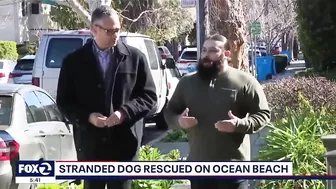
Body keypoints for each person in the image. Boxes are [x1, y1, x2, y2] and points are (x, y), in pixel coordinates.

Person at [56, 5, 157, 189]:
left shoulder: (135, 58)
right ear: (94, 30)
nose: (115, 35)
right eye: (109, 31)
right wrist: (88, 117)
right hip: (91, 146)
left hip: (124, 146)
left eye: (118, 29)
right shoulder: (73, 62)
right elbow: (64, 102)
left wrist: (124, 113)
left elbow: (149, 97)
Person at [164, 34, 271, 189]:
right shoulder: (187, 83)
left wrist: (239, 124)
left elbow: (263, 114)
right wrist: (179, 121)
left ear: (227, 54)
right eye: (204, 50)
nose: (206, 55)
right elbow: (170, 112)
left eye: (213, 51)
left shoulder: (244, 81)